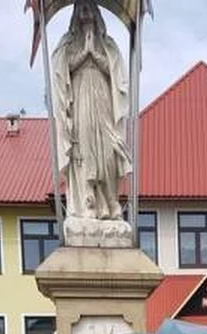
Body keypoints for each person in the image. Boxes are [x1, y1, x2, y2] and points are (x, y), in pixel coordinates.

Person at [50, 0, 132, 222]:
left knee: (107, 147)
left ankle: (110, 199)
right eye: (82, 11)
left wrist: (94, 53)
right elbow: (61, 72)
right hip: (79, 100)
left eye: (90, 11)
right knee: (84, 147)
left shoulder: (107, 44)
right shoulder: (67, 44)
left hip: (103, 98)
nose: (86, 15)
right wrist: (84, 52)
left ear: (97, 16)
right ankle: (89, 202)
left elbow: (115, 73)